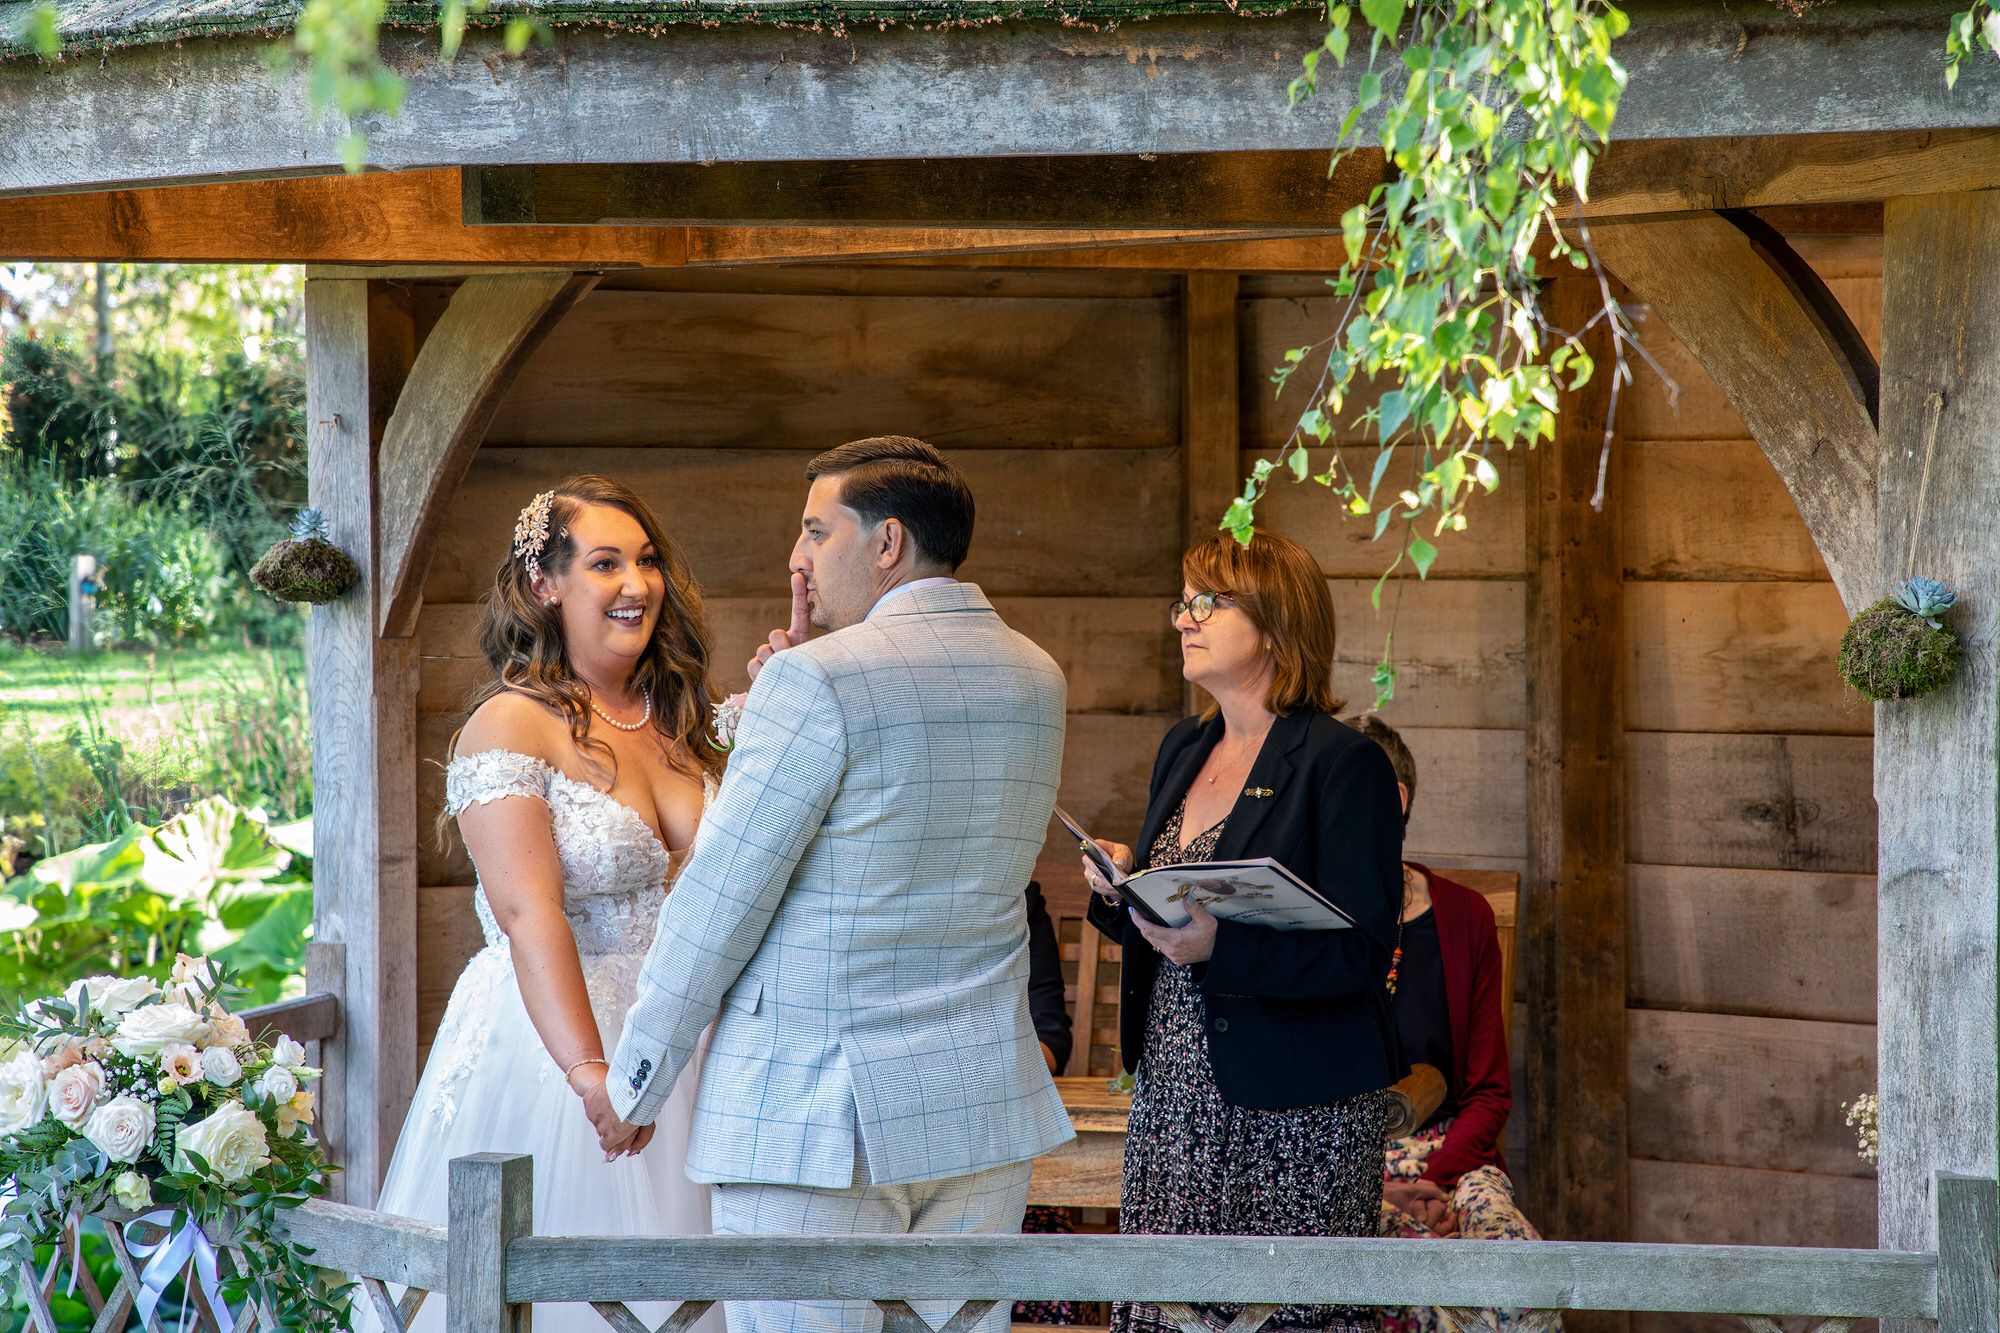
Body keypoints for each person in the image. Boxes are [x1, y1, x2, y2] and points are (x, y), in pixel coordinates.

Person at [602, 436, 1074, 1333]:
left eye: (817, 531)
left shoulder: (814, 680)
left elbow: (719, 903)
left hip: (816, 1124)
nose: (797, 556)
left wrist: (636, 1084)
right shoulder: (1036, 677)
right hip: (979, 1116)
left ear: (887, 541)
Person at [368, 476, 725, 1333]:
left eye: (645, 561)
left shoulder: (686, 718)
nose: (636, 584)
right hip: (556, 1045)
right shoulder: (509, 724)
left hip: (688, 1039)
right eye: (605, 563)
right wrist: (590, 1072)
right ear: (545, 584)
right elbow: (532, 916)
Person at [1081, 531, 1406, 1333]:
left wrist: (1221, 946)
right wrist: (1122, 889)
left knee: (1283, 1317)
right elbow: (1174, 925)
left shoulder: (1343, 761)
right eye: (1183, 601)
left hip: (1297, 1108)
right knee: (1169, 1312)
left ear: (1275, 620)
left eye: (1208, 600)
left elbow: (1362, 951)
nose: (1183, 618)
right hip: (1175, 1095)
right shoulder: (1184, 747)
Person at [1341, 715, 1553, 1333]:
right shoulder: (1302, 917)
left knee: (1521, 1289)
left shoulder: (1465, 917)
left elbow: (1488, 1094)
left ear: (1394, 801)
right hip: (1335, 1164)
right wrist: (1382, 1189)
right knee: (1396, 1282)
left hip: (1452, 1157)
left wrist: (1435, 1182)